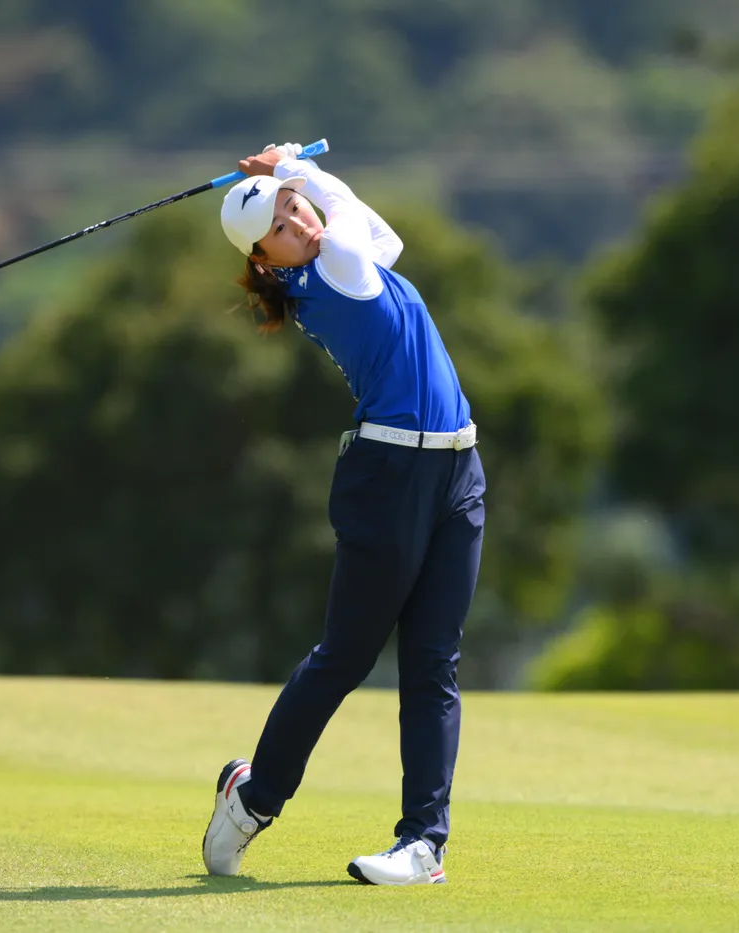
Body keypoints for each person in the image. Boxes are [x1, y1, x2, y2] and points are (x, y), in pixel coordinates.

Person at [201, 142, 486, 886]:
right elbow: (354, 230)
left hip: (457, 469)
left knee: (433, 662)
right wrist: (295, 169)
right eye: (281, 226)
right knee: (346, 657)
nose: (300, 222)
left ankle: (423, 845)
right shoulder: (331, 273)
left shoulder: (345, 260)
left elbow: (382, 235)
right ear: (266, 262)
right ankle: (254, 800)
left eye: (296, 210)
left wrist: (293, 179)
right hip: (388, 476)